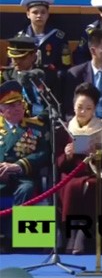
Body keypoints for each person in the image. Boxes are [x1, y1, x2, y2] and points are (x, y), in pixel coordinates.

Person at [57, 82, 102, 255]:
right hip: (71, 173)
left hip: (94, 171)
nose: (82, 112)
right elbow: (58, 163)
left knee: (91, 186)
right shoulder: (65, 129)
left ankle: (82, 235)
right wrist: (67, 155)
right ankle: (71, 232)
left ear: (94, 109)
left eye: (88, 108)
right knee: (71, 186)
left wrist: (97, 154)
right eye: (79, 107)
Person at [0, 80, 50, 252]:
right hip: (1, 176)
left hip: (23, 175)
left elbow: (43, 153)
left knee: (27, 189)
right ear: (2, 110)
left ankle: (18, 238)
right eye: (11, 105)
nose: (17, 108)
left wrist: (18, 166)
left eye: (19, 104)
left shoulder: (35, 127)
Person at [16, 0, 72, 79]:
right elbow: (13, 64)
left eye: (43, 12)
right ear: (28, 14)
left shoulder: (58, 37)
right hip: (27, 79)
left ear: (48, 14)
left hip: (52, 80)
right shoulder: (20, 38)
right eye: (35, 12)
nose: (39, 16)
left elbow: (65, 65)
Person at [2, 37, 60, 118]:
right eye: (13, 58)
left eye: (21, 57)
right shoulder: (5, 77)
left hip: (41, 122)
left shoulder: (47, 75)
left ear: (33, 56)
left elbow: (54, 105)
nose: (16, 61)